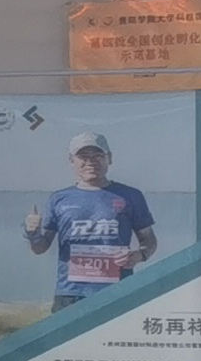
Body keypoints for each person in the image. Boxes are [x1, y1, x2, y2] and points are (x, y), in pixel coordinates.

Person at [28, 131, 158, 306]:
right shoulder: (58, 199)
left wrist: (139, 255)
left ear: (109, 158)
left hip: (118, 289)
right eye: (83, 157)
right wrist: (32, 233)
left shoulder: (131, 196)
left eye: (98, 155)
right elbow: (40, 248)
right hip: (70, 292)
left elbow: (149, 240)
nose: (90, 162)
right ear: (71, 160)